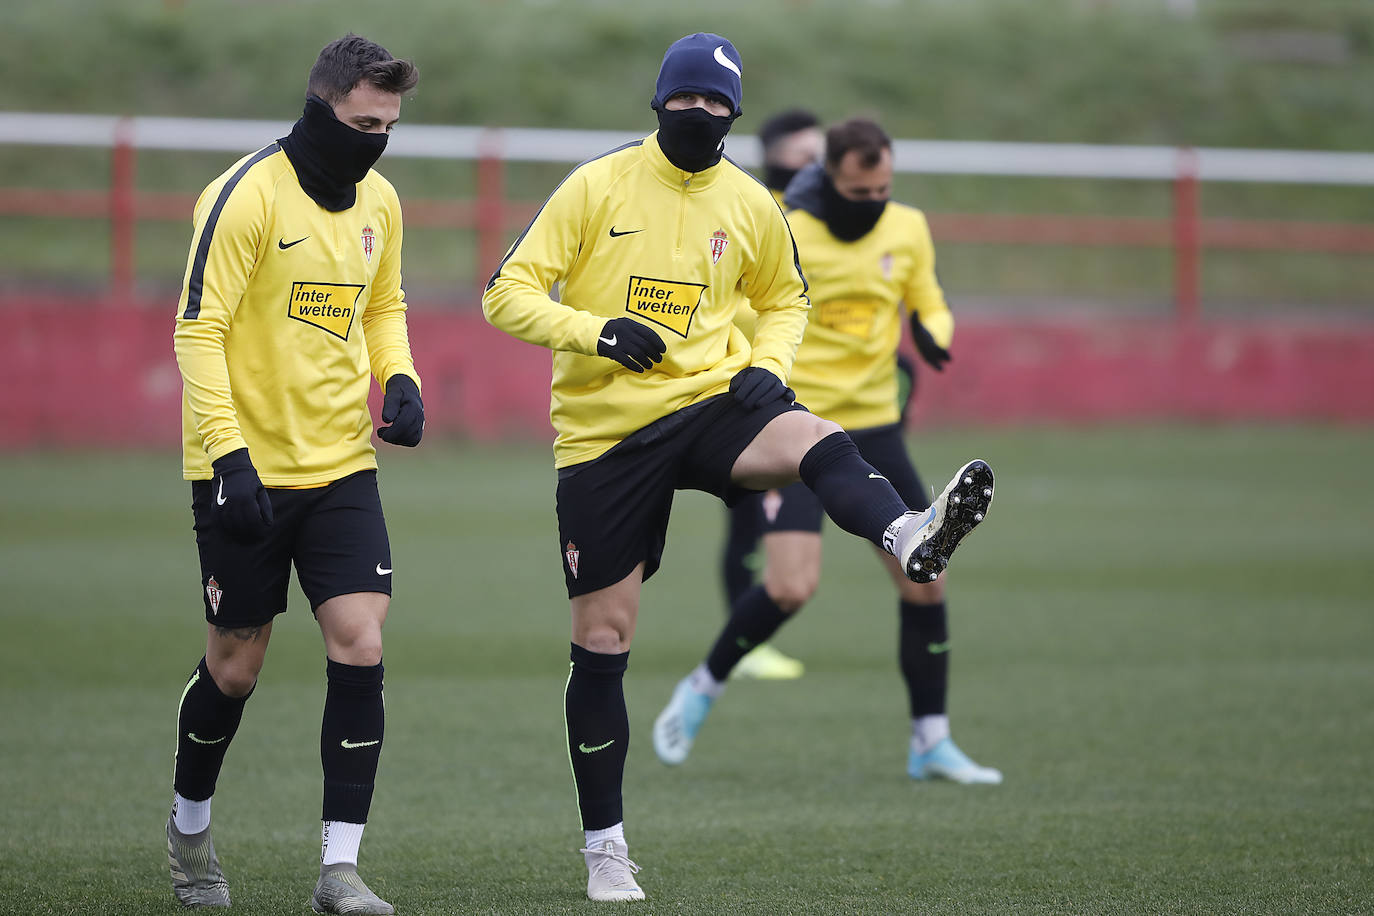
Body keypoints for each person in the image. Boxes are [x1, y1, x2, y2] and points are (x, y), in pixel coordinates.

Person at [482, 34, 994, 903]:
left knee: (808, 432)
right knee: (604, 638)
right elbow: (506, 291)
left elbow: (785, 300)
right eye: (686, 104)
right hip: (606, 434)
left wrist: (771, 362)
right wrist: (593, 332)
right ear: (659, 105)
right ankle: (605, 847)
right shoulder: (596, 185)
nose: (700, 117)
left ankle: (907, 531)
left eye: (717, 107)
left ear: (735, 117)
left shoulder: (750, 203)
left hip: (713, 403)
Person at [652, 117, 1003, 786]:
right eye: (858, 190)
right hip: (801, 431)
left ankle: (931, 741)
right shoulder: (784, 225)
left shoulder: (908, 228)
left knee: (925, 580)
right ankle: (704, 685)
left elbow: (928, 297)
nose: (873, 201)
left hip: (876, 424)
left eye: (883, 189)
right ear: (829, 180)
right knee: (790, 585)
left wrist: (934, 328)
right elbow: (745, 310)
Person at [165, 34, 422, 915]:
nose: (374, 140)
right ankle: (190, 824)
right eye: (361, 123)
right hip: (242, 467)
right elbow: (195, 333)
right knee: (235, 667)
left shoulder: (380, 202)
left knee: (361, 640)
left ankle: (339, 870)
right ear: (320, 108)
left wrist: (403, 379)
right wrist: (228, 457)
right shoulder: (241, 196)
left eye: (387, 126)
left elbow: (382, 306)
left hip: (342, 464)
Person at [722, 108, 824, 681]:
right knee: (747, 517)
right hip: (752, 385)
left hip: (795, 384)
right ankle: (743, 637)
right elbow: (738, 302)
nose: (811, 165)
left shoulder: (818, 221)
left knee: (755, 514)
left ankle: (745, 635)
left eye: (818, 155)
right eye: (800, 154)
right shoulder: (756, 213)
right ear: (774, 156)